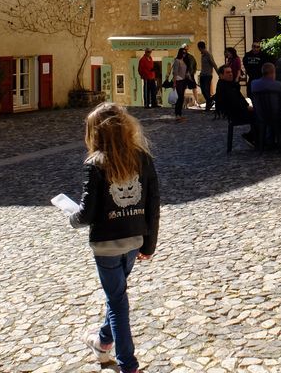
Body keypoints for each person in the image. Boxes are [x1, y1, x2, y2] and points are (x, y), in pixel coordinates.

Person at [70, 103, 159, 373]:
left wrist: (71, 216)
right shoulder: (142, 157)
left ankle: (127, 365)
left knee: (118, 301)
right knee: (117, 296)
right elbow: (153, 203)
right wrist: (149, 243)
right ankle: (102, 342)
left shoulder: (95, 163)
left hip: (107, 244)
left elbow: (87, 214)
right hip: (133, 239)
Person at [214, 64, 256, 144]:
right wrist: (247, 107)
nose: (231, 74)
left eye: (231, 72)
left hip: (239, 111)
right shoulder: (223, 86)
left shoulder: (230, 84)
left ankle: (255, 136)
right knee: (260, 116)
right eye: (228, 72)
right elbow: (234, 103)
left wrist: (247, 106)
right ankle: (256, 138)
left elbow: (239, 99)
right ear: (221, 75)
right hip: (235, 114)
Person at [249, 62, 281, 146]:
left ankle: (267, 141)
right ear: (273, 72)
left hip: (260, 116)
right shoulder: (278, 85)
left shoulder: (254, 84)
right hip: (275, 115)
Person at [165, 47, 189, 120]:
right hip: (178, 81)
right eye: (183, 53)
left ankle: (180, 114)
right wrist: (174, 83)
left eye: (185, 53)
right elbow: (175, 73)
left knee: (181, 98)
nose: (184, 54)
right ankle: (177, 114)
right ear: (180, 53)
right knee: (179, 98)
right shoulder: (177, 61)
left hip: (183, 81)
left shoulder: (184, 62)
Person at [197, 41, 219, 111]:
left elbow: (214, 64)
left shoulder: (208, 54)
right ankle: (209, 102)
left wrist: (219, 74)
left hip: (207, 75)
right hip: (203, 75)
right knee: (203, 91)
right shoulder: (203, 54)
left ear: (200, 48)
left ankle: (209, 103)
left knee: (206, 91)